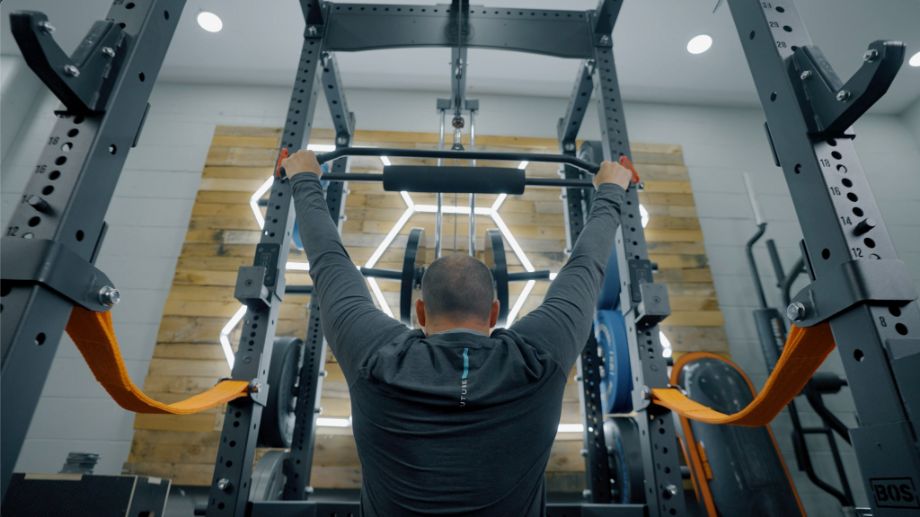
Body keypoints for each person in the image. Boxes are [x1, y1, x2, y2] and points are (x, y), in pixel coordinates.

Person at [283, 149, 632, 516]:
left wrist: (304, 178)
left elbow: (328, 262)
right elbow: (587, 267)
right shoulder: (536, 358)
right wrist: (610, 188)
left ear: (419, 312)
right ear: (495, 312)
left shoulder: (377, 357)